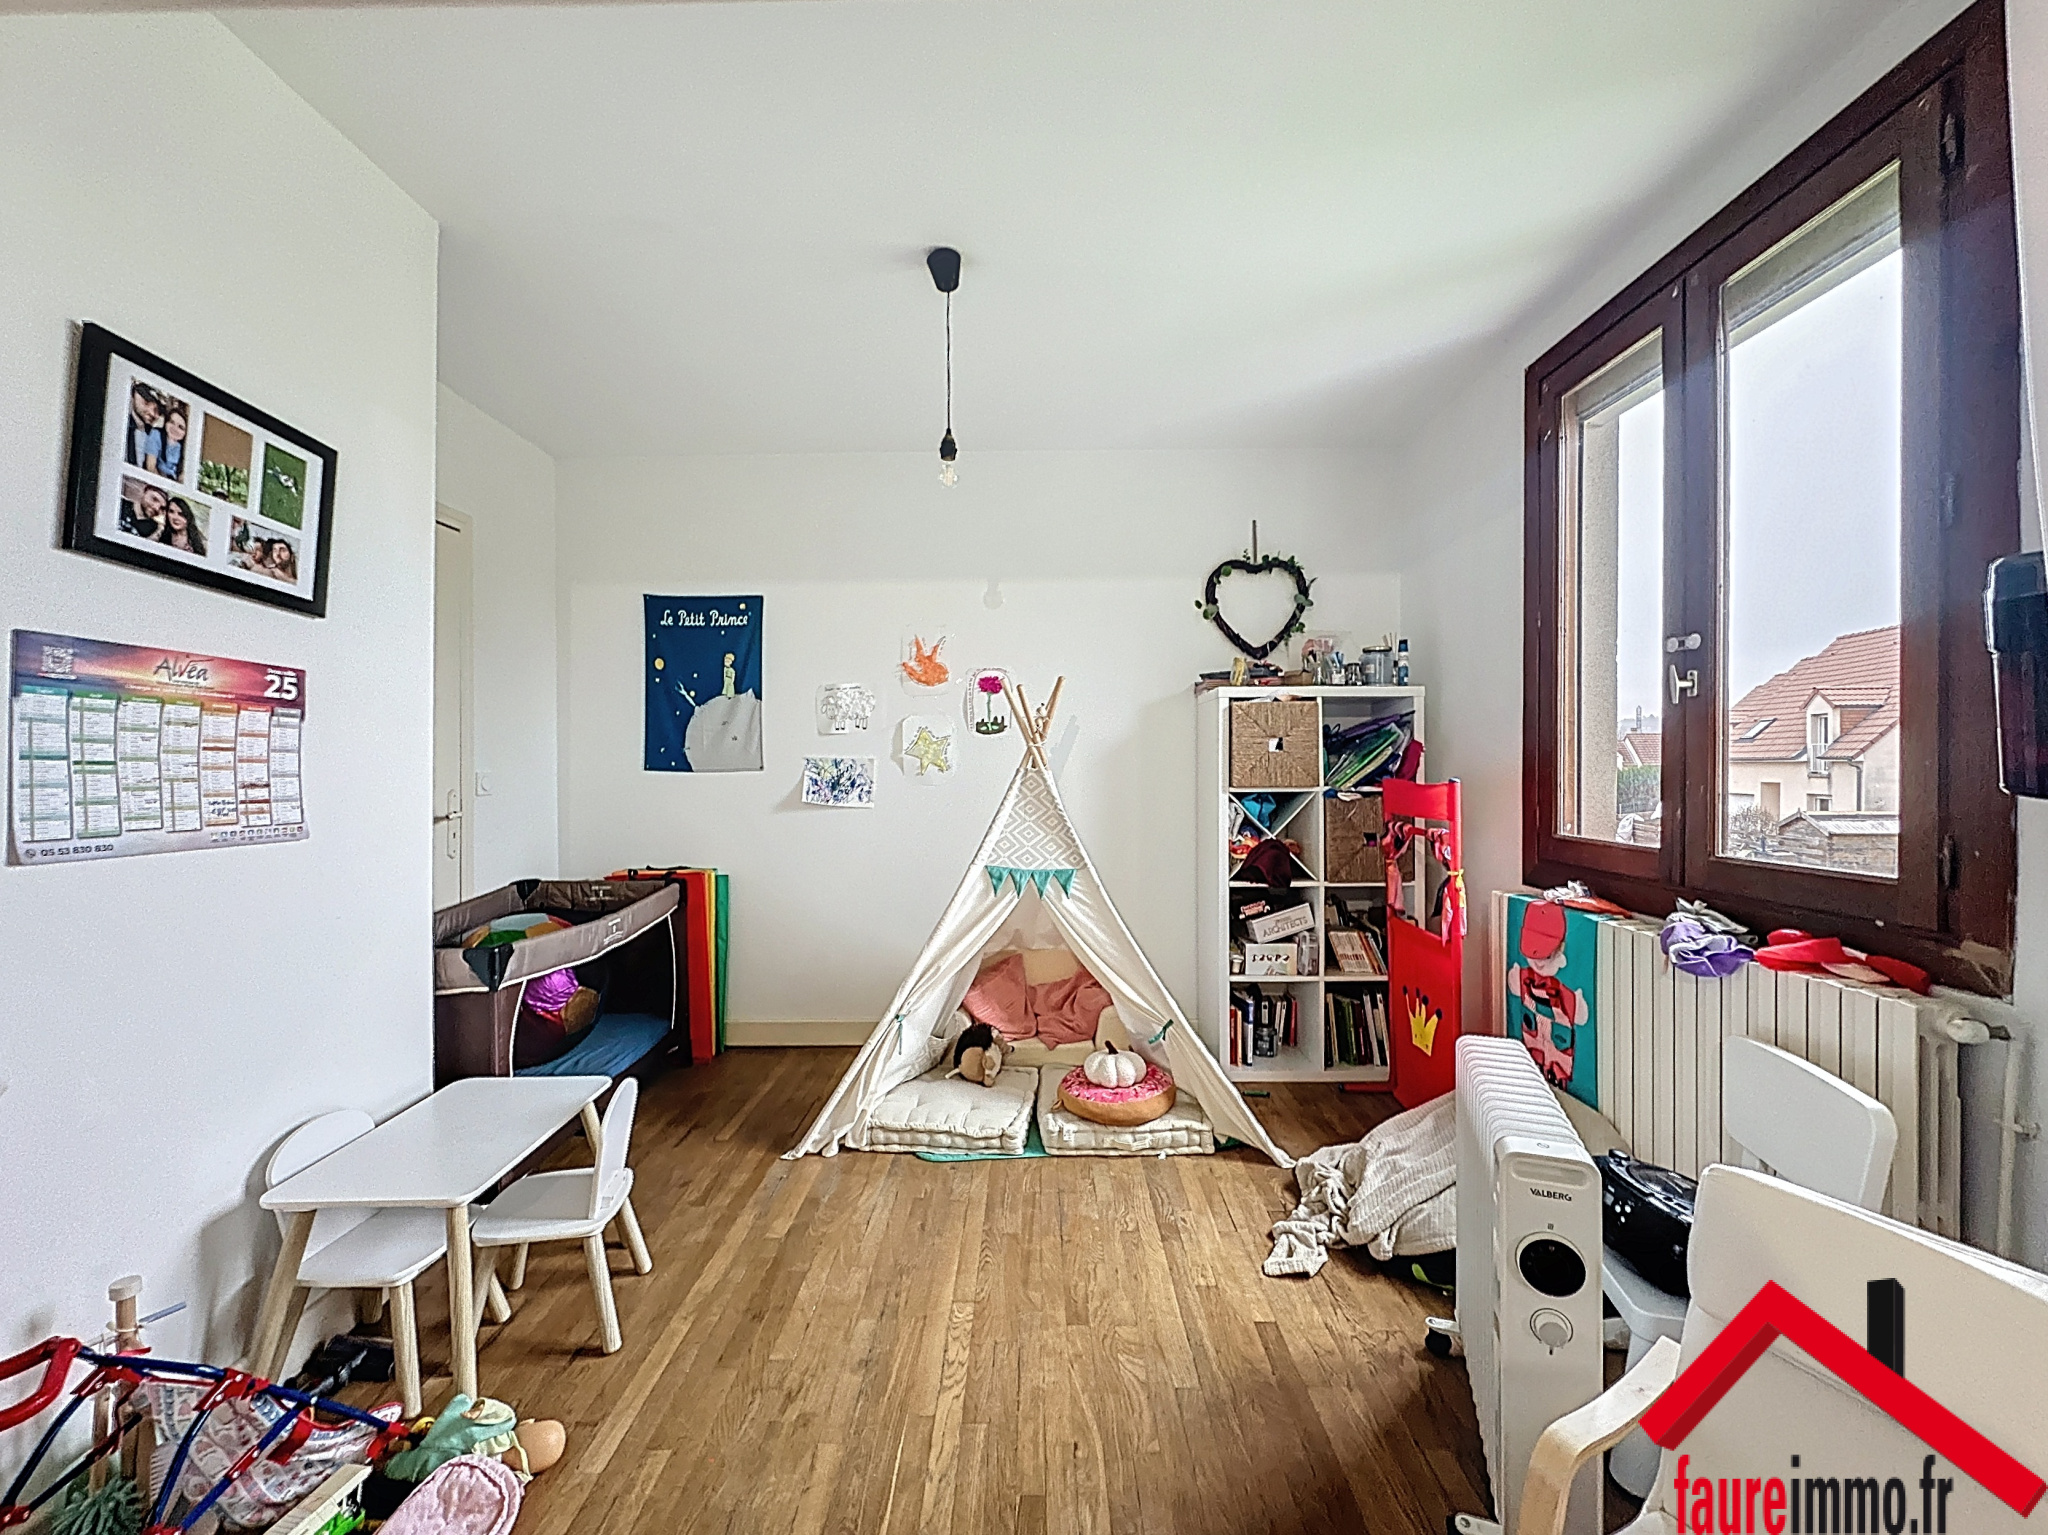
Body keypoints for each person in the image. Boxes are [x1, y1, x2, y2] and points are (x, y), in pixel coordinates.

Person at [127, 385, 162, 472]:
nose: (152, 413)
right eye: (146, 402)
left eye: (157, 410)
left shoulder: (153, 435)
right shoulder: (124, 425)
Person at [159, 406, 187, 482]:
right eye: (172, 422)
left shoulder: (182, 448)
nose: (175, 428)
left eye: (180, 427)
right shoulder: (157, 436)